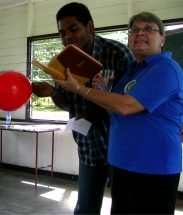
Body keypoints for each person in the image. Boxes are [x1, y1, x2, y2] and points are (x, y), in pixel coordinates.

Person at [53, 12, 183, 215]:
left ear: (162, 40)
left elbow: (126, 106)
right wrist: (103, 92)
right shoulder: (132, 71)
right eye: (134, 30)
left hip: (153, 168)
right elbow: (115, 109)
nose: (140, 34)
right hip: (121, 164)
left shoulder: (166, 68)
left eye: (148, 29)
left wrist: (79, 88)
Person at [32, 2, 134, 214]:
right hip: (88, 149)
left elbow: (131, 104)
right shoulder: (63, 62)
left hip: (120, 148)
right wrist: (51, 92)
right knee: (86, 208)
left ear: (90, 27)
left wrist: (95, 113)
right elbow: (69, 104)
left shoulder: (118, 54)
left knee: (123, 208)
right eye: (62, 32)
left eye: (73, 29)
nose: (67, 37)